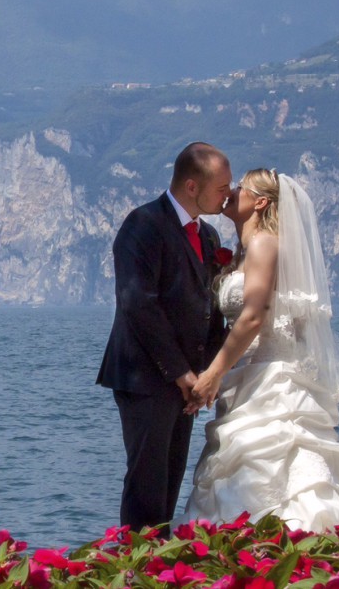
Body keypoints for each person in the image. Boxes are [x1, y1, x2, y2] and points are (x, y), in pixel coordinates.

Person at [183, 168, 339, 531]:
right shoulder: (245, 249)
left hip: (271, 377)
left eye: (241, 188)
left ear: (261, 201)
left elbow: (253, 317)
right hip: (246, 375)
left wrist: (212, 375)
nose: (231, 191)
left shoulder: (265, 242)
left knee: (285, 461)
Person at [97, 142, 232, 536]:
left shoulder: (206, 236)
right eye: (221, 188)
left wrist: (205, 374)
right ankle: (136, 566)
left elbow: (207, 309)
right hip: (145, 377)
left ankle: (161, 566)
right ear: (192, 186)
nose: (228, 195)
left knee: (170, 480)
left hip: (185, 382)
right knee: (147, 483)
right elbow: (138, 305)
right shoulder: (143, 225)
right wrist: (181, 374)